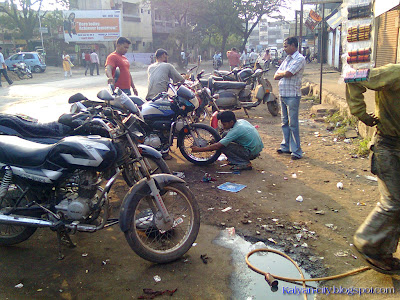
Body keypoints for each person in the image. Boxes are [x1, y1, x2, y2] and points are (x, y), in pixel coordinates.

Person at [346, 64, 400, 275]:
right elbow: (352, 76)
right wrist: (361, 114)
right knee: (394, 202)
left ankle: (383, 254)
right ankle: (366, 242)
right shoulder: (395, 73)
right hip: (388, 146)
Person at [191, 111, 263, 170]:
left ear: (231, 122)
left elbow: (218, 146)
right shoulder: (241, 121)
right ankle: (237, 159)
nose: (223, 126)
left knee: (222, 146)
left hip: (251, 153)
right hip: (255, 149)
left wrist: (199, 149)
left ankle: (244, 163)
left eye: (224, 124)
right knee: (225, 134)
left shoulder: (236, 130)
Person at [274, 37, 305, 160]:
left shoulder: (300, 59)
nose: (284, 48)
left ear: (293, 45)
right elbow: (277, 74)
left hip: (293, 95)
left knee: (293, 124)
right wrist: (282, 74)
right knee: (284, 122)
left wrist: (282, 74)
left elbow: (288, 73)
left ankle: (296, 151)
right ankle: (286, 146)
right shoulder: (287, 59)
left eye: (286, 46)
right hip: (283, 93)